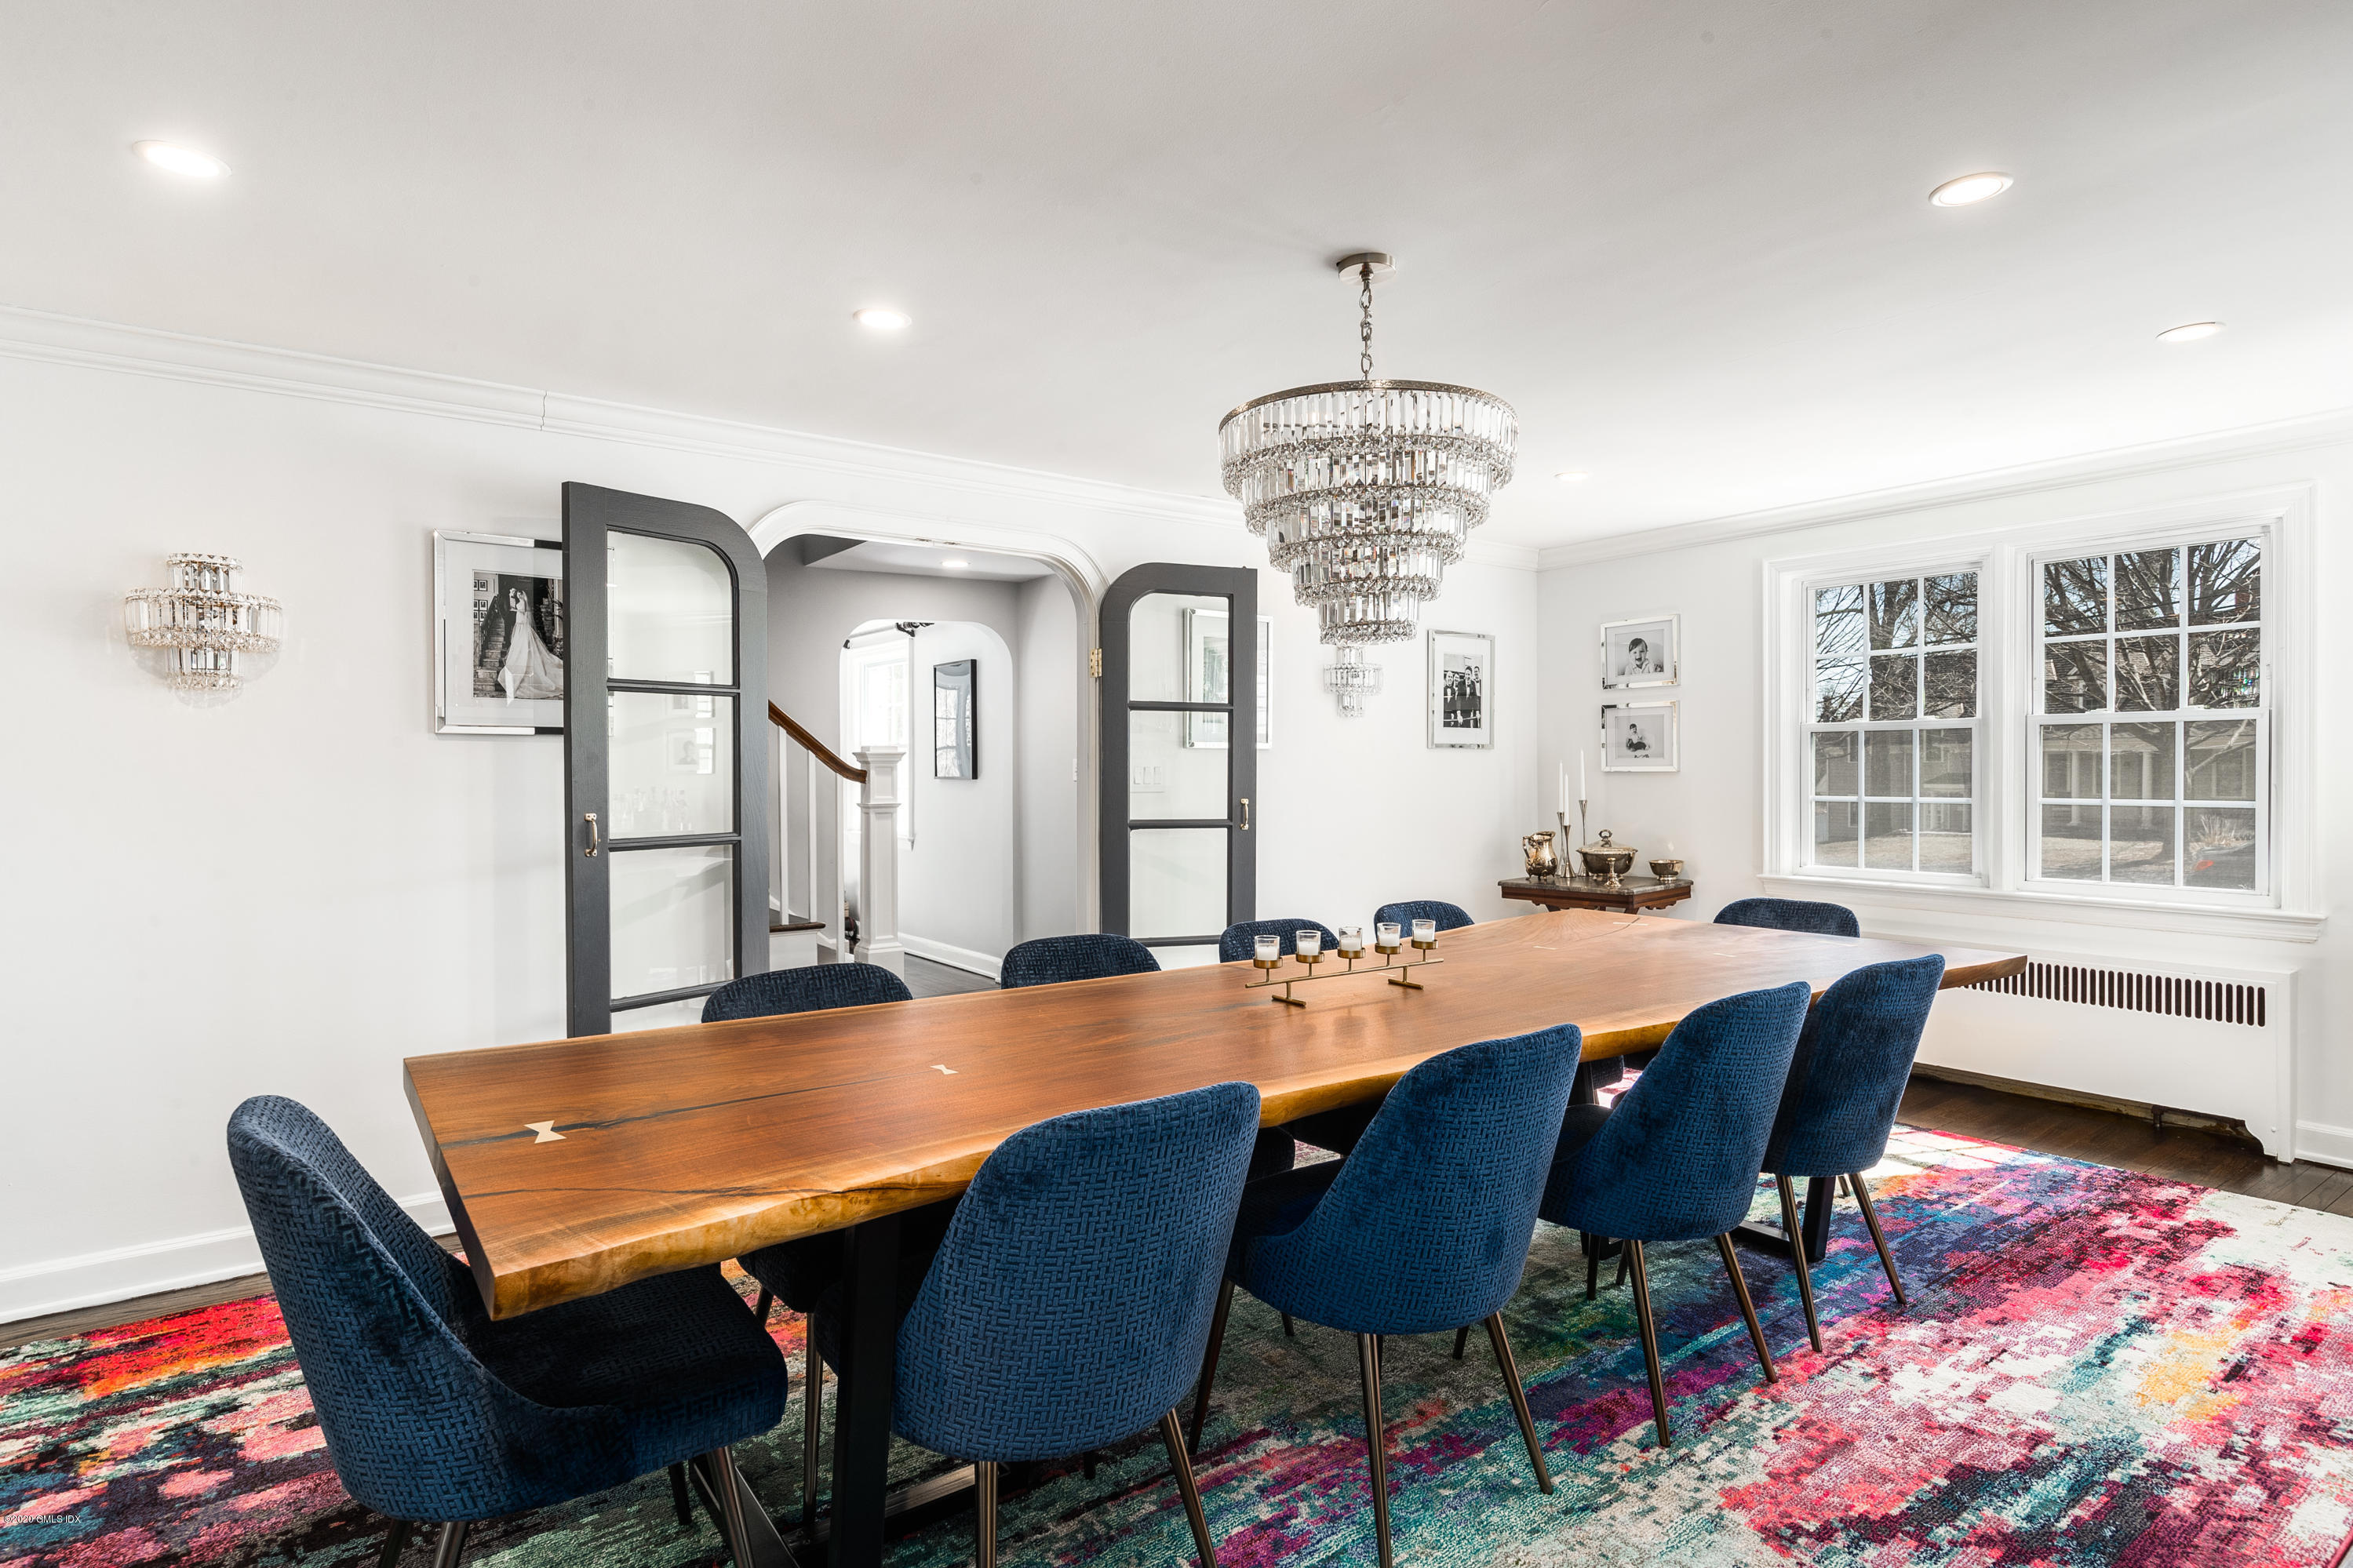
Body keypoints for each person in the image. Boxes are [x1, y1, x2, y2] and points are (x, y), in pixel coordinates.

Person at [479, 580, 563, 702]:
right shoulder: (520, 602)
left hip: (522, 627)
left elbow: (519, 610)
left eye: (520, 594)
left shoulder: (523, 603)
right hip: (519, 627)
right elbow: (515, 609)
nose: (519, 596)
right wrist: (512, 597)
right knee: (517, 648)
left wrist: (513, 600)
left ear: (523, 596)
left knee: (524, 648)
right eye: (518, 594)